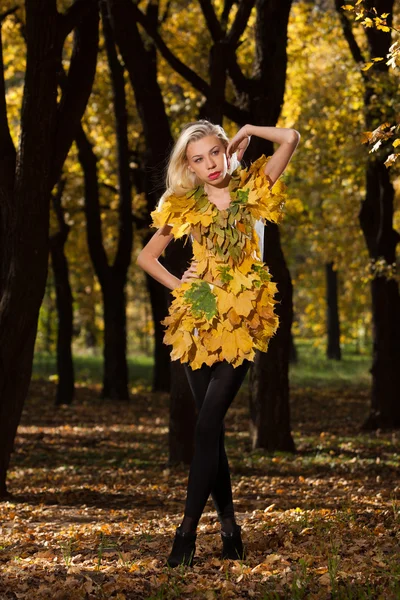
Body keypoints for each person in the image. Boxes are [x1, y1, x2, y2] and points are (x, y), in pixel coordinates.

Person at [136, 120, 300, 567]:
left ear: (227, 150)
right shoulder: (184, 204)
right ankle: (229, 528)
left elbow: (290, 139)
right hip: (196, 321)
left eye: (214, 153)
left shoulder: (254, 187)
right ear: (187, 166)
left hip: (245, 320)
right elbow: (146, 257)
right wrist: (180, 286)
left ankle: (186, 533)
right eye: (197, 159)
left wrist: (247, 128)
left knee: (207, 423)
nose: (209, 165)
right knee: (211, 429)